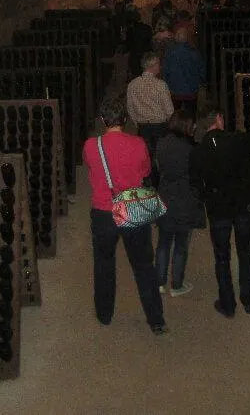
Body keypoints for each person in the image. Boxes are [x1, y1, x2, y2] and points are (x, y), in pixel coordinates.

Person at [82, 96, 167, 335]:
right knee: (143, 266)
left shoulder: (91, 146)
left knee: (103, 264)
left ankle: (104, 314)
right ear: (126, 119)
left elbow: (90, 168)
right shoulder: (139, 144)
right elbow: (145, 172)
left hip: (103, 212)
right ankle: (156, 319)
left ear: (101, 120)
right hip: (131, 209)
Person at [190, 108, 250, 318]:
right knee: (245, 253)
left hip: (219, 211)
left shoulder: (198, 151)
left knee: (222, 258)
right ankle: (248, 300)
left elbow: (195, 185)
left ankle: (228, 305)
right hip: (244, 207)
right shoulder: (238, 140)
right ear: (218, 119)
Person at [154, 111, 205, 297]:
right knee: (181, 244)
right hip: (185, 200)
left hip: (165, 197)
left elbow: (158, 169)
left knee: (163, 243)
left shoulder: (161, 143)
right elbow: (197, 176)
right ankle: (176, 285)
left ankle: (159, 283)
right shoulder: (191, 149)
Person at [126, 51, 174, 182]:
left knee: (146, 157)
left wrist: (138, 122)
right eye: (159, 64)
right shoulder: (161, 85)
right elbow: (169, 110)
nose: (160, 66)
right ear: (152, 66)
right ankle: (161, 183)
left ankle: (148, 184)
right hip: (160, 126)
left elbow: (130, 108)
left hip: (143, 126)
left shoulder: (133, 85)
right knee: (161, 156)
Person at [162, 26, 205, 115]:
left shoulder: (169, 53)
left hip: (174, 91)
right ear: (187, 38)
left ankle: (176, 128)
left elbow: (165, 71)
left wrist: (167, 85)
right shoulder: (195, 53)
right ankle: (190, 127)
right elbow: (201, 70)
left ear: (176, 37)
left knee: (175, 114)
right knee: (191, 114)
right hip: (191, 91)